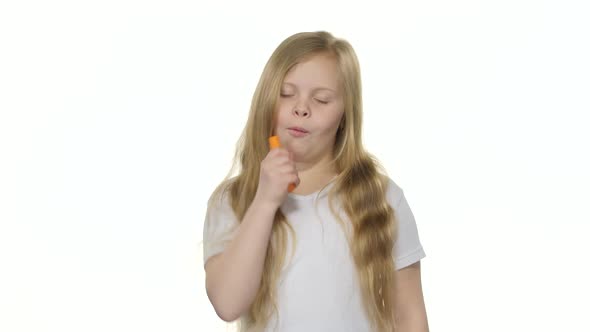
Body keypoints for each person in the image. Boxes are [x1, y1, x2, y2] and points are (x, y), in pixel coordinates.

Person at [202, 31, 429, 332]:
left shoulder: (383, 197)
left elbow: (410, 316)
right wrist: (265, 201)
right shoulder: (233, 199)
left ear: (345, 113)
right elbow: (227, 304)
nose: (301, 108)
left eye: (321, 99)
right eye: (286, 93)